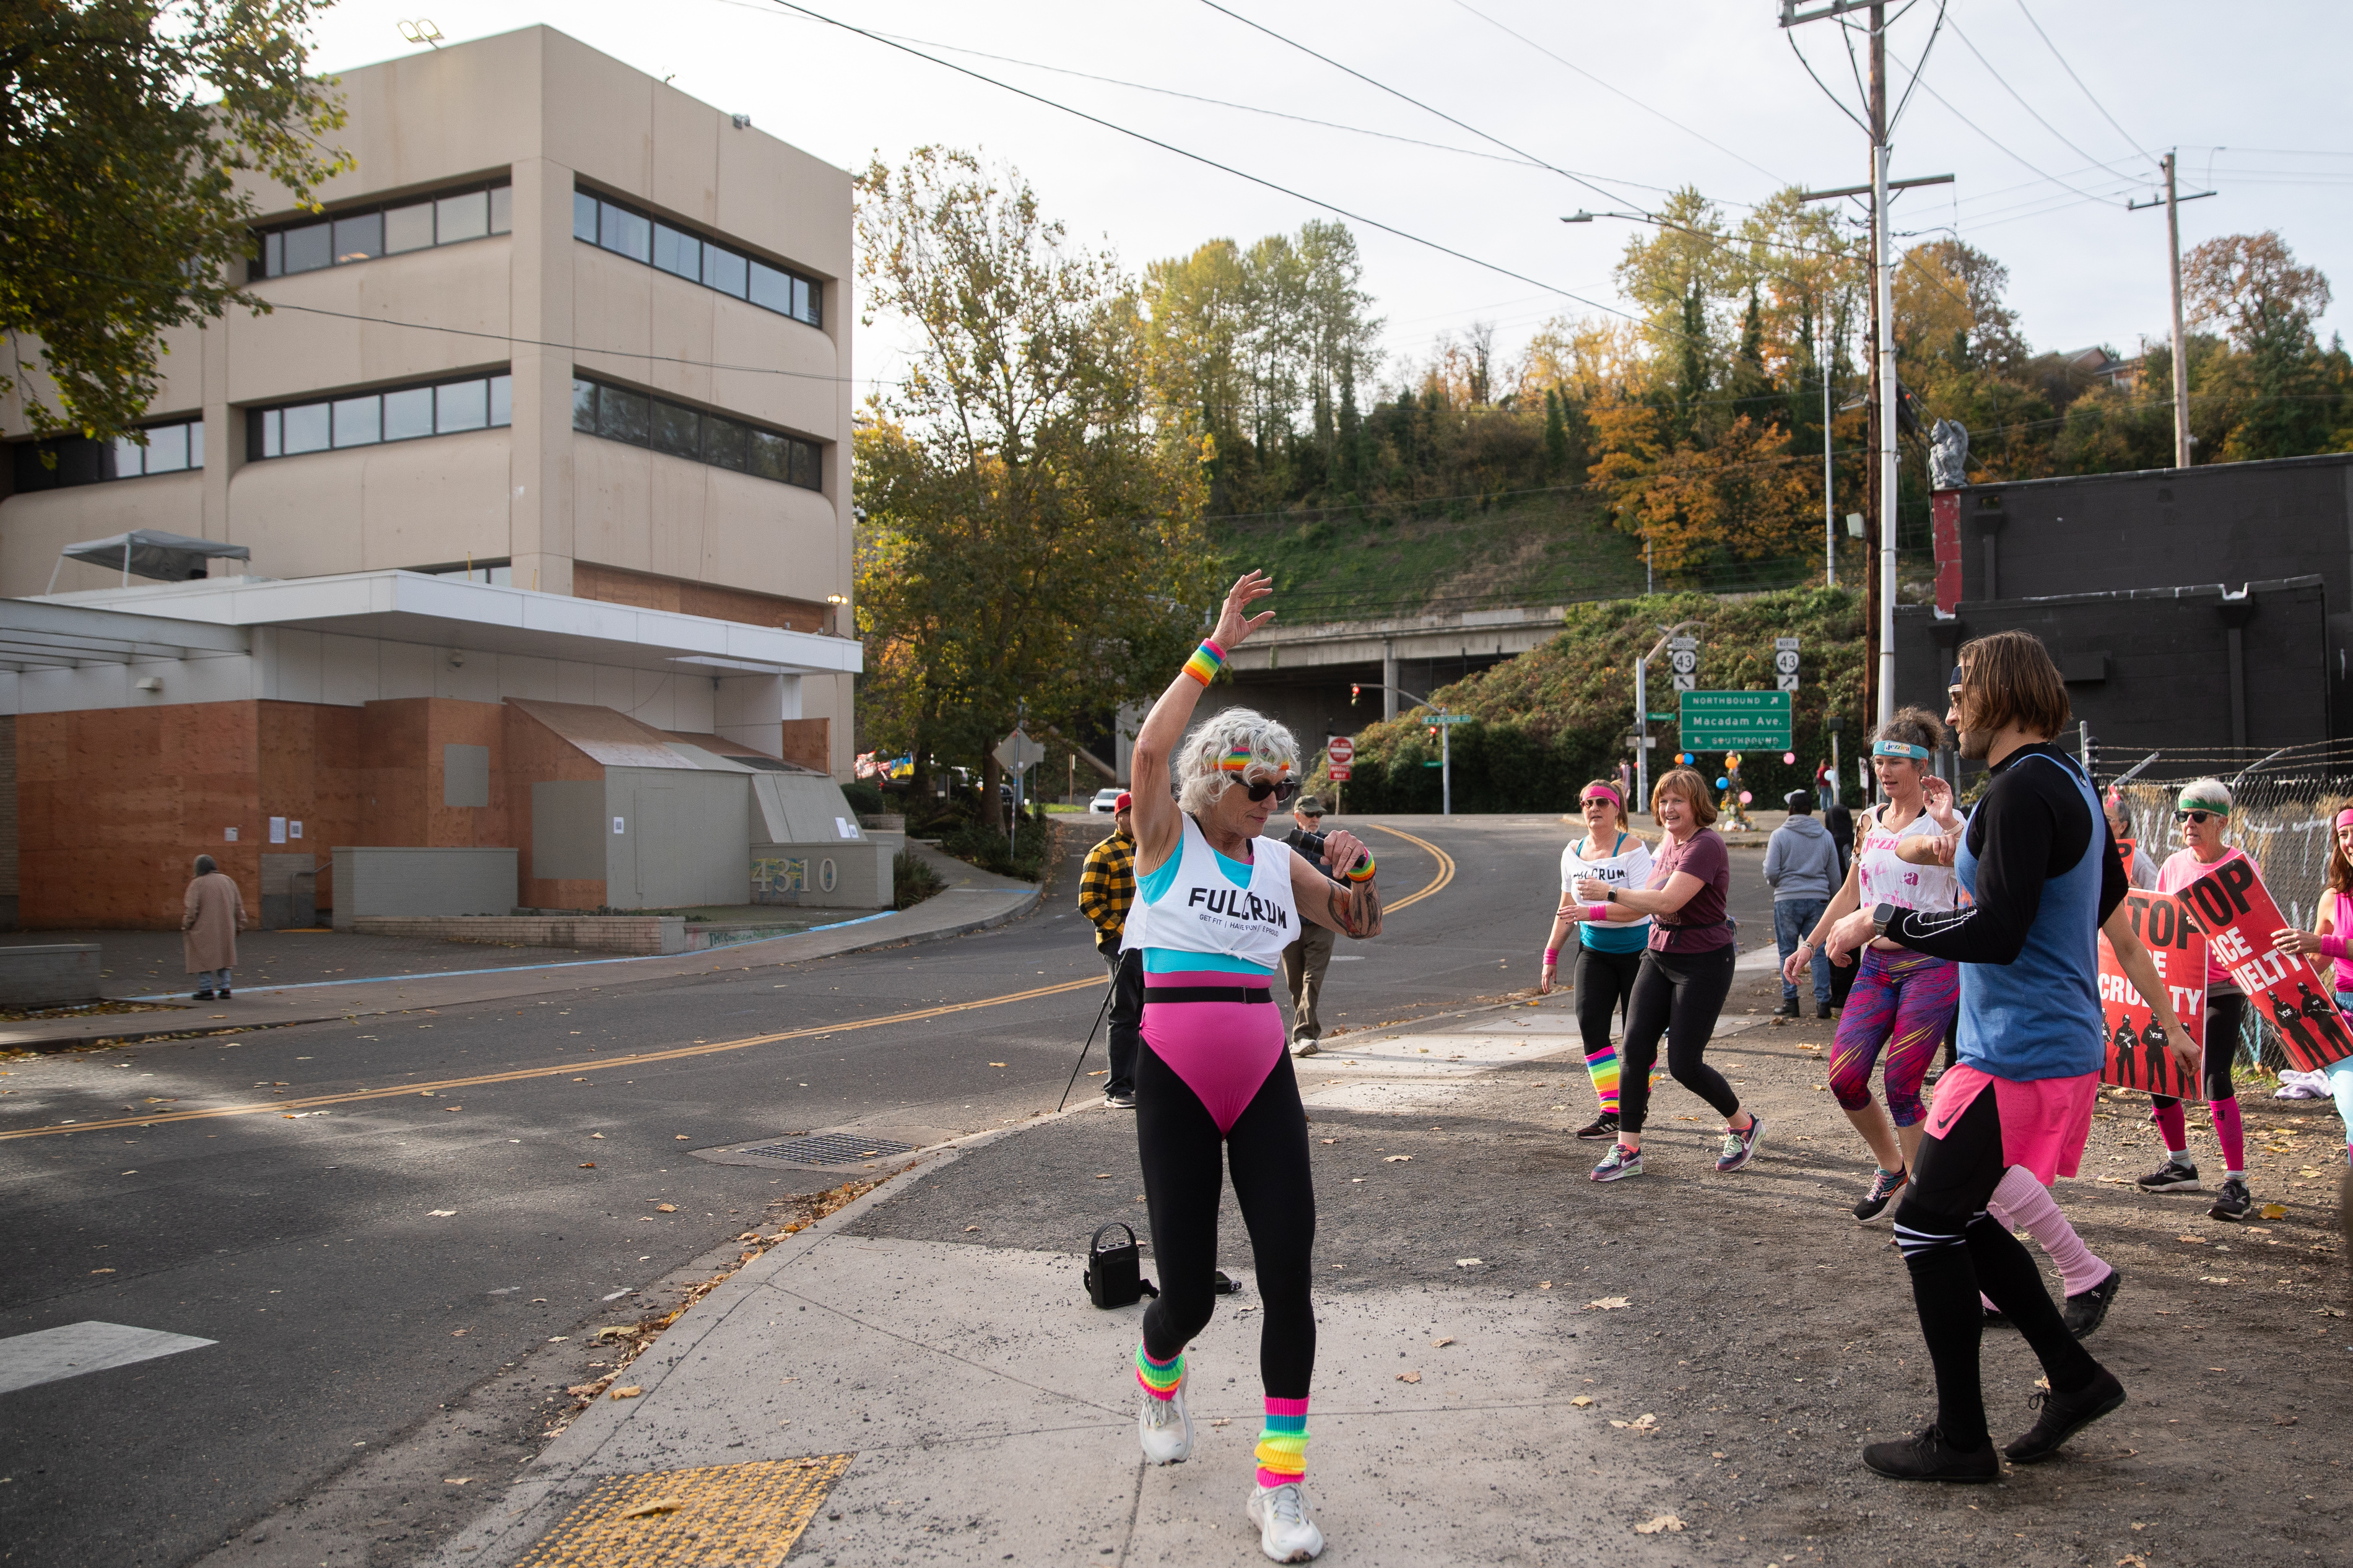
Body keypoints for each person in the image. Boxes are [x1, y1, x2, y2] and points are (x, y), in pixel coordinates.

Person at [1820, 631, 2192, 1482]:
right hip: (2043, 1043)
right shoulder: (2067, 784)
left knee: (1922, 1225)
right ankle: (2075, 1378)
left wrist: (1882, 920)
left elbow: (1997, 929)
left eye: (1961, 693)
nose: (1951, 710)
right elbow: (2092, 901)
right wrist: (1957, 849)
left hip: (2018, 1055)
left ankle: (1961, 1442)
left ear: (2006, 694)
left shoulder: (2021, 791)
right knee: (1968, 1216)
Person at [1122, 570, 1383, 1564]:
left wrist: (1359, 872)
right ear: (1215, 784)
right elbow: (1150, 746)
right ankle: (1158, 1370)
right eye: (1259, 786)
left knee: (1290, 1281)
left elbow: (1357, 924)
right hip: (1176, 1077)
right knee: (1185, 1295)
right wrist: (1214, 647)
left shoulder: (1281, 864)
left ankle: (1279, 1486)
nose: (1275, 802)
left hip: (1264, 1074)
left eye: (1283, 787)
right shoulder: (1166, 841)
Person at [1788, 710, 1964, 1222]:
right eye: (1878, 762)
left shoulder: (1947, 823)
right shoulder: (1868, 820)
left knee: (1903, 1084)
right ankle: (1893, 1168)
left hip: (1932, 966)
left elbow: (1967, 859)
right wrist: (1810, 944)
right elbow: (1851, 889)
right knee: (1845, 1078)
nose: (1884, 772)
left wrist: (1950, 822)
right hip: (1875, 969)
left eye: (1894, 762)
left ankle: (1924, 1204)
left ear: (1920, 766)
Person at [1570, 768, 1762, 1182]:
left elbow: (1666, 898)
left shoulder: (1706, 844)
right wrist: (1599, 910)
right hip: (1657, 953)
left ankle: (1744, 1125)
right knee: (1636, 1050)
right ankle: (1628, 1149)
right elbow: (1651, 904)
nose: (1668, 809)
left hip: (1704, 960)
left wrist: (1611, 893)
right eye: (1662, 801)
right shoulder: (1668, 843)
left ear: (1696, 805)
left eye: (1677, 800)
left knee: (1684, 1064)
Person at [2137, 778, 2266, 1222]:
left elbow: (2257, 929)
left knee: (2215, 1076)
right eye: (2183, 816)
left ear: (2221, 823)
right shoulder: (2173, 865)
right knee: (2159, 1072)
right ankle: (2181, 1163)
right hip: (2177, 985)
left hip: (2223, 987)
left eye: (2198, 817)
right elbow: (2160, 921)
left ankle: (2237, 1182)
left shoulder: (2240, 866)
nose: (2188, 824)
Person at [1537, 780, 1653, 1141]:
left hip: (1639, 954)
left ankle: (1636, 1098)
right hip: (1594, 953)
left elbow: (1640, 908)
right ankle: (1612, 1109)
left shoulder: (1634, 850)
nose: (1594, 808)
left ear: (1617, 809)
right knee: (1590, 1024)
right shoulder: (1572, 852)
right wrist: (1551, 953)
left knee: (1638, 1035)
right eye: (1587, 802)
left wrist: (1591, 910)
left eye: (1602, 802)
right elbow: (1565, 909)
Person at [2271, 806, 2353, 1170]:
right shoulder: (2333, 897)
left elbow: (2323, 946)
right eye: (2344, 835)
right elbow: (2316, 963)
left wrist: (2321, 944)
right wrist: (2270, 970)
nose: (2349, 842)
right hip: (2345, 1014)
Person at [1079, 791, 1144, 1108]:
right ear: (1117, 817)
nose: (1135, 818)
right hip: (1120, 944)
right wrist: (1123, 931)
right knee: (1125, 1014)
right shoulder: (1102, 853)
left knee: (1154, 1015)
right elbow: (1088, 901)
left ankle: (1146, 1082)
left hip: (1155, 942)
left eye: (1139, 812)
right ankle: (1117, 1087)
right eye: (1128, 813)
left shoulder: (1155, 849)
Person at [1765, 788, 1838, 1020]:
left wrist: (1777, 882)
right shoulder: (1825, 836)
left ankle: (1791, 1001)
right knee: (1817, 951)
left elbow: (1772, 872)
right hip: (1818, 899)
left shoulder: (1779, 835)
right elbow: (1834, 875)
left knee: (1787, 951)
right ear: (1811, 811)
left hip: (1787, 899)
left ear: (1790, 810)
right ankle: (1823, 1004)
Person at [1279, 795, 1338, 1058]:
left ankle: (1301, 1035)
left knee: (1312, 979)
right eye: (1310, 814)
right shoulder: (1282, 848)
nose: (1315, 819)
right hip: (1290, 924)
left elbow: (1344, 882)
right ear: (1297, 816)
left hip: (1323, 923)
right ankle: (1311, 1031)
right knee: (1295, 983)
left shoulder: (1330, 848)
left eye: (1318, 815)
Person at [183, 854, 247, 1000]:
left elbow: (192, 910)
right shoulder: (228, 881)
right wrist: (240, 925)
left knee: (202, 958)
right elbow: (239, 907)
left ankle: (206, 989)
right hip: (226, 927)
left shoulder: (197, 884)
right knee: (225, 956)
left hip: (203, 928)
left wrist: (186, 925)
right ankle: (225, 988)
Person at [2106, 789, 2160, 889]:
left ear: (2123, 827)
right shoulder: (2090, 854)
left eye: (2108, 820)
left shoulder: (2140, 863)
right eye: (2099, 817)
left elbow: (2156, 900)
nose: (2102, 823)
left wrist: (2138, 897)